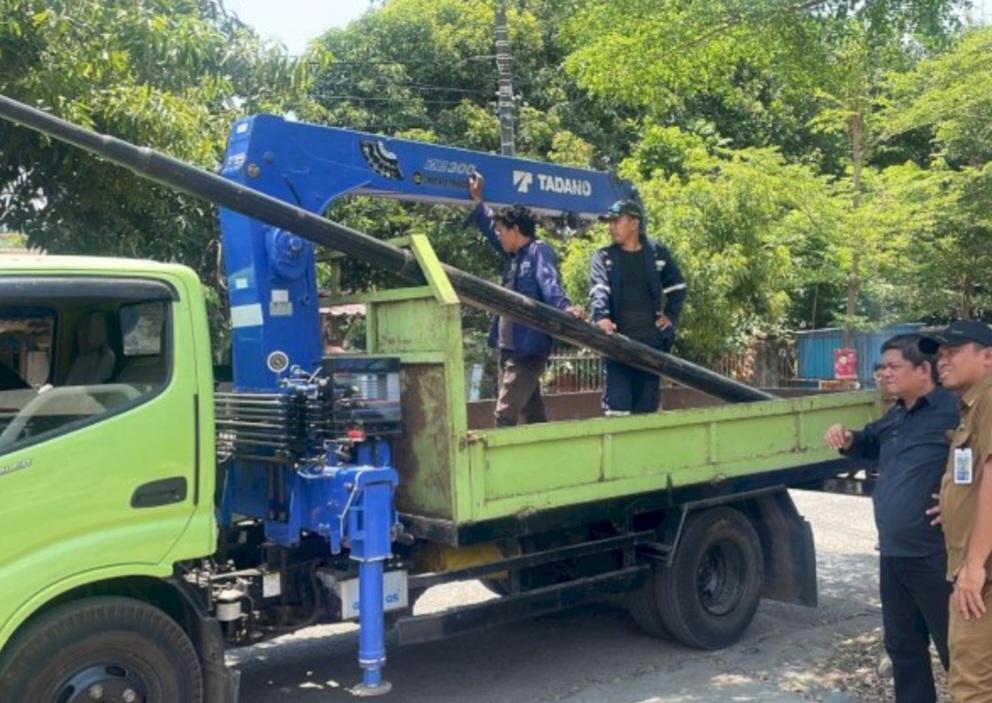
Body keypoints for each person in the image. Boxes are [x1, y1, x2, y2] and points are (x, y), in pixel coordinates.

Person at [824, 333, 957, 703]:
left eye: (893, 366)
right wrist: (847, 438)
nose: (883, 373)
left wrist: (961, 501)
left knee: (957, 649)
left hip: (936, 556)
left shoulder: (955, 410)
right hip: (894, 553)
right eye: (880, 367)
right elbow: (869, 442)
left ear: (923, 369)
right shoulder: (897, 415)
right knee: (903, 644)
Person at [467, 172, 582, 427]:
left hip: (528, 349)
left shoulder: (538, 251)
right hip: (507, 348)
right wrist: (479, 201)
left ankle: (498, 453)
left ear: (516, 230)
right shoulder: (513, 256)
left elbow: (549, 283)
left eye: (501, 231)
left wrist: (564, 307)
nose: (497, 235)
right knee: (533, 413)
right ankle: (547, 449)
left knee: (504, 413)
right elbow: (491, 228)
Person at [918, 320, 992, 702]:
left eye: (953, 352)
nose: (942, 361)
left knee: (970, 687)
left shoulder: (990, 399)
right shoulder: (972, 406)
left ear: (988, 356)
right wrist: (953, 504)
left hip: (983, 577)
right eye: (940, 354)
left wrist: (974, 565)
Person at [590, 199, 686, 415]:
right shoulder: (604, 257)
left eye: (616, 221)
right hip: (617, 344)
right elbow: (599, 290)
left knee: (646, 411)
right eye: (610, 222)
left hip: (650, 346)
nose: (611, 227)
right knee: (617, 410)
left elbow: (678, 287)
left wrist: (670, 316)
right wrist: (602, 317)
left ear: (634, 223)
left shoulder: (657, 253)